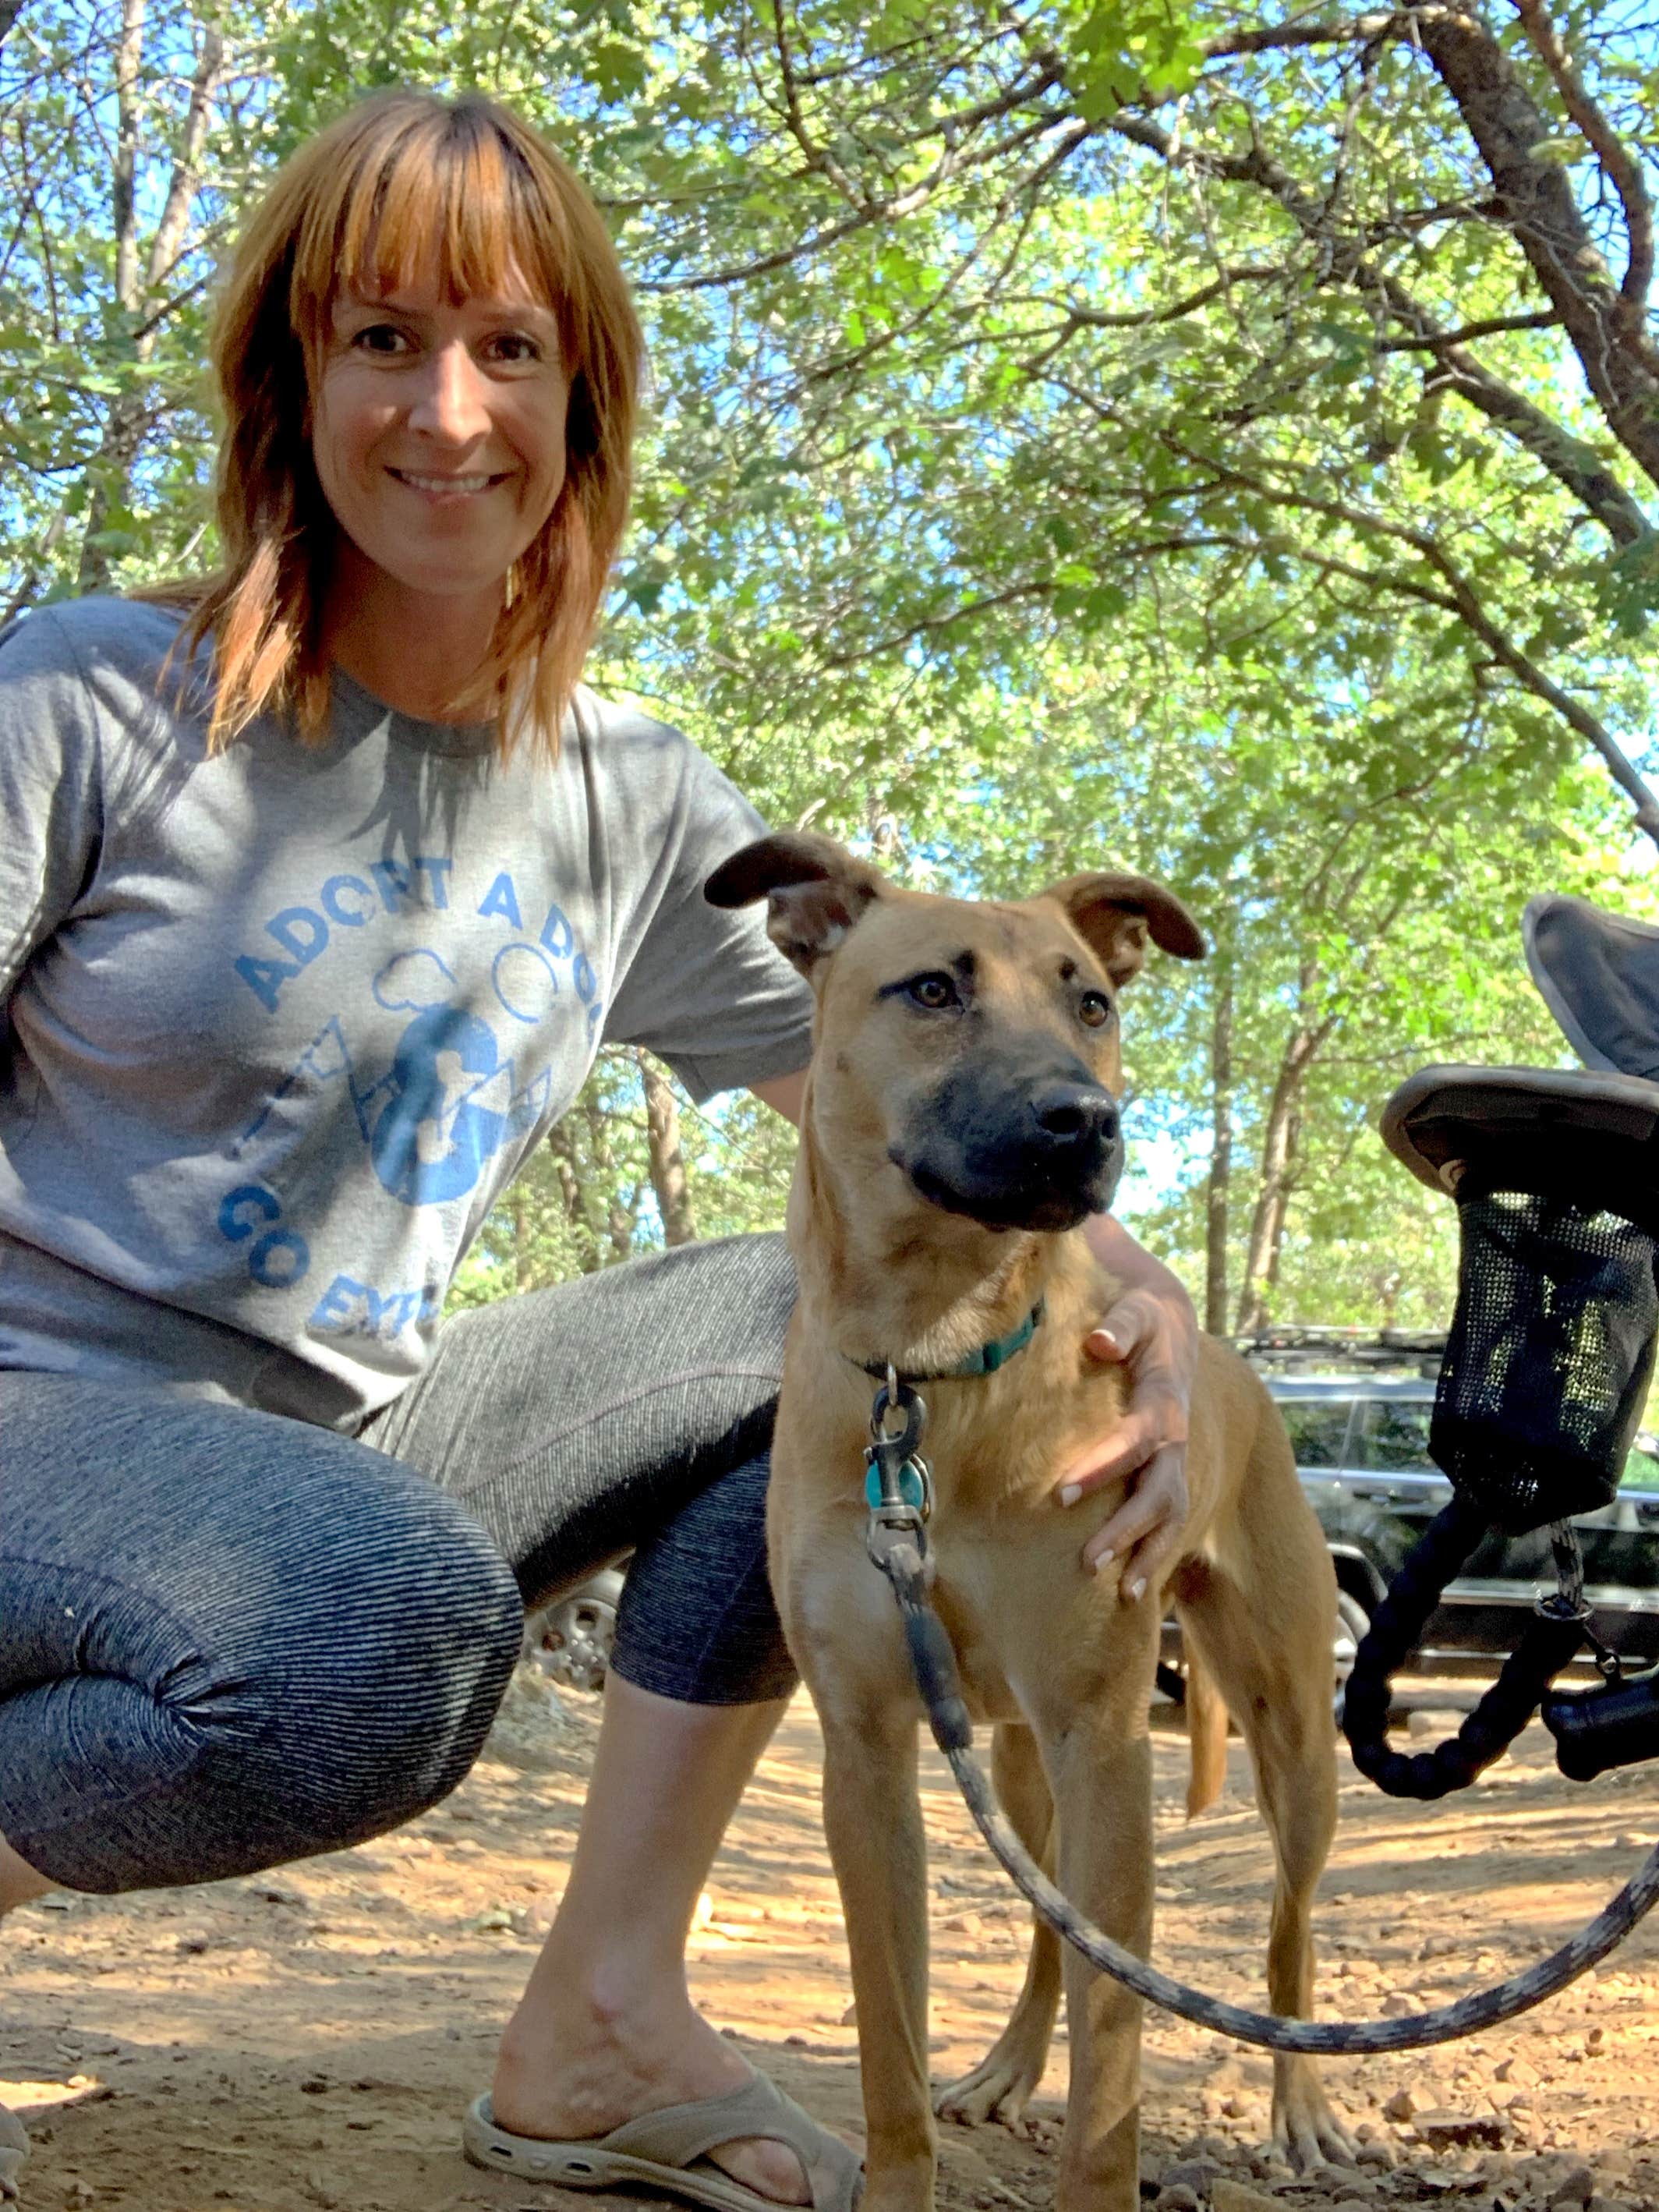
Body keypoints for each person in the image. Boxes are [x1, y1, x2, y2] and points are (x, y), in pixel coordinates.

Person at [0, 90, 1197, 2211]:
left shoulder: (631, 803)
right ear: (290, 376)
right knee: (370, 1634)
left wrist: (1154, 1329)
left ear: (585, 400)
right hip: (38, 1425)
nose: (447, 411)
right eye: (381, 337)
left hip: (345, 1444)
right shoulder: (96, 697)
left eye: (510, 349)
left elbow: (905, 1129)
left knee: (800, 1321)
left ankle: (600, 2020)